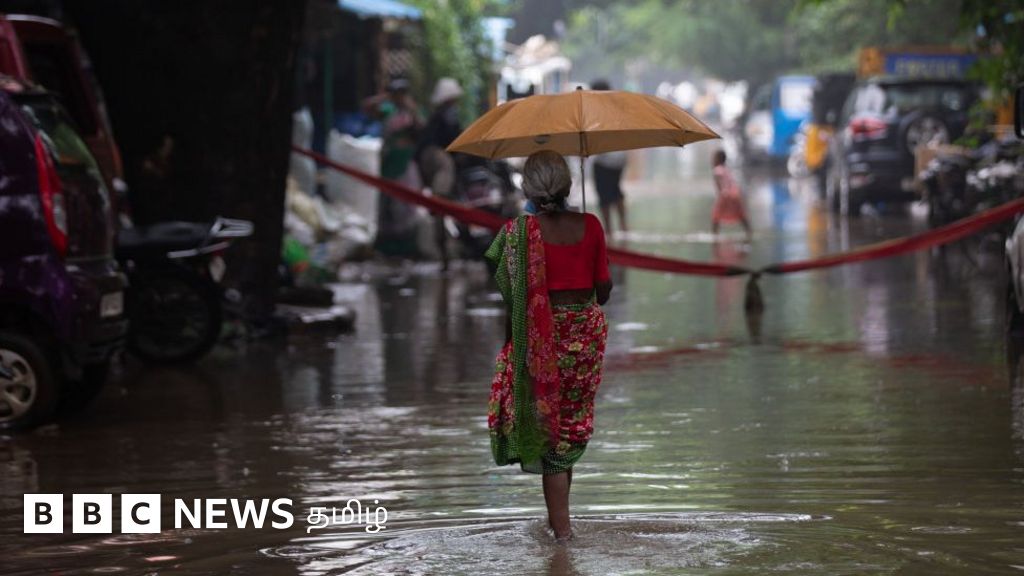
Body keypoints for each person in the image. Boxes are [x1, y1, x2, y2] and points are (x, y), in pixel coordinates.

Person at [485, 150, 613, 542]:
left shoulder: (517, 234)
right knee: (566, 430)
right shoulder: (590, 225)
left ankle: (562, 536)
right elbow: (603, 291)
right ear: (569, 186)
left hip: (541, 341)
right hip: (584, 337)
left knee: (552, 437)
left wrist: (512, 348)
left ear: (527, 188)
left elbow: (513, 300)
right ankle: (561, 526)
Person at [362, 78, 424, 255]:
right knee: (387, 203)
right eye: (396, 93)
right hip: (389, 162)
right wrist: (385, 97)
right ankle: (387, 247)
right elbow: (366, 107)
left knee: (405, 205)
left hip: (405, 162)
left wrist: (410, 108)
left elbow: (420, 128)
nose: (399, 97)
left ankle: (406, 245)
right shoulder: (387, 110)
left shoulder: (411, 112)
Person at [416, 77, 464, 270]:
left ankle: (444, 255)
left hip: (426, 160)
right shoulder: (448, 114)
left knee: (440, 215)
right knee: (441, 197)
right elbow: (454, 138)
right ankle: (439, 199)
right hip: (437, 156)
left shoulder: (436, 116)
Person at [590, 79, 628, 235]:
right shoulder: (618, 107)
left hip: (604, 159)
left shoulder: (597, 110)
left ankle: (609, 230)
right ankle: (624, 226)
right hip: (620, 159)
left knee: (604, 195)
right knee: (616, 190)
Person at [711, 149, 752, 240]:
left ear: (718, 159)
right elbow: (732, 182)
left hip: (725, 196)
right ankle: (749, 232)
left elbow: (719, 183)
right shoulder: (727, 169)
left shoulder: (717, 170)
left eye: (714, 158)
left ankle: (714, 236)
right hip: (735, 194)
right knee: (741, 214)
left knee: (716, 216)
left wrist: (721, 193)